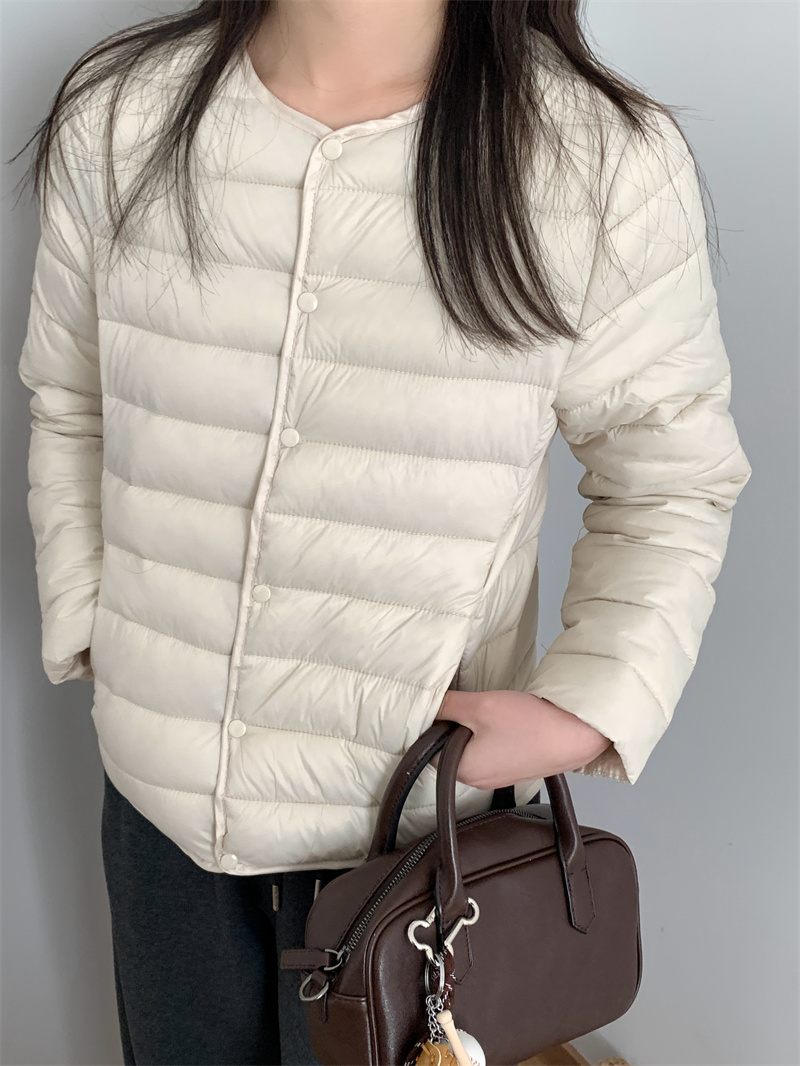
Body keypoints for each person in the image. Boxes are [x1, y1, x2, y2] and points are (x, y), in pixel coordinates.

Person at [15, 1, 752, 1063]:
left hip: (404, 831)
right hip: (158, 809)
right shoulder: (124, 113)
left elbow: (668, 475)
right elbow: (71, 399)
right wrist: (100, 628)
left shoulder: (595, 160)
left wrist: (586, 708)